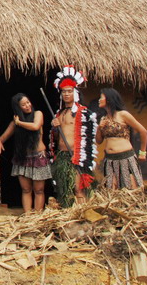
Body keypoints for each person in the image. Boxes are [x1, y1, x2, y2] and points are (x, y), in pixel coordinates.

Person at [49, 65, 98, 207]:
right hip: (62, 156)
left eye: (69, 91)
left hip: (76, 156)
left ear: (75, 93)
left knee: (78, 189)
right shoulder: (60, 114)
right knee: (64, 190)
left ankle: (82, 214)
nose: (66, 94)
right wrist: (55, 128)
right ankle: (68, 216)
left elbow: (89, 138)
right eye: (64, 92)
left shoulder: (82, 113)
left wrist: (79, 155)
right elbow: (57, 139)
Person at [0, 93, 52, 213]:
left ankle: (37, 216)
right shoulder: (14, 123)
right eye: (23, 104)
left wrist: (19, 123)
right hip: (23, 158)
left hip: (38, 157)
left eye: (28, 102)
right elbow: (2, 138)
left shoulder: (38, 114)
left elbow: (36, 126)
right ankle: (27, 215)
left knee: (39, 190)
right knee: (26, 189)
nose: (27, 105)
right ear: (18, 107)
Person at [96, 88, 147, 189]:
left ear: (109, 99)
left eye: (101, 97)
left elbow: (143, 131)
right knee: (111, 189)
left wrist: (142, 152)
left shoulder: (123, 114)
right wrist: (99, 127)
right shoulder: (103, 118)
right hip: (110, 160)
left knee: (131, 189)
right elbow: (99, 141)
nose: (99, 99)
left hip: (126, 158)